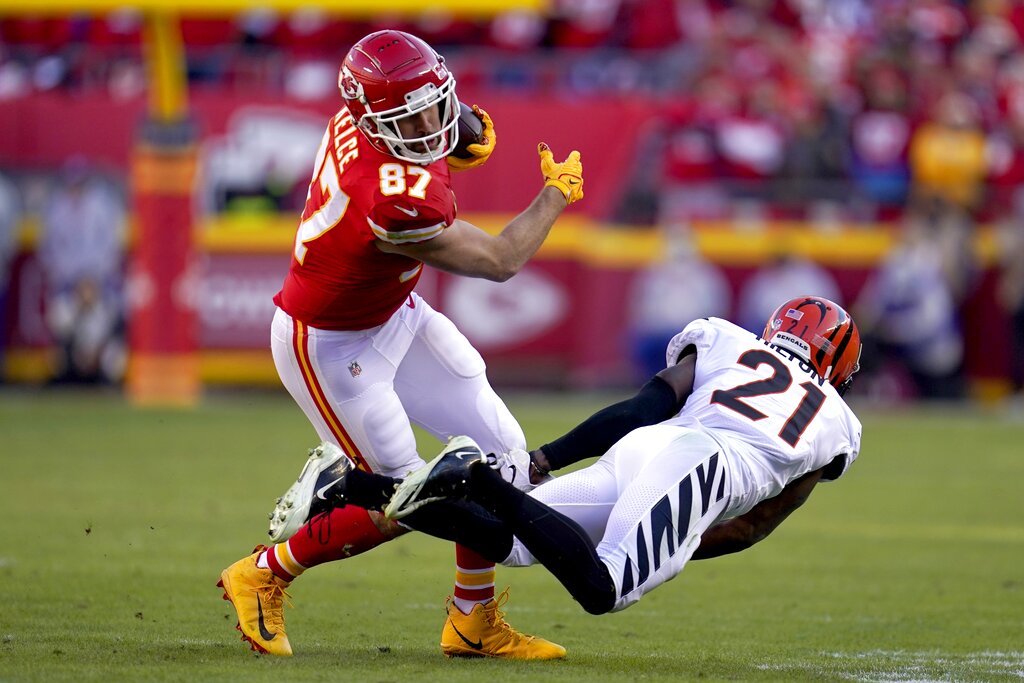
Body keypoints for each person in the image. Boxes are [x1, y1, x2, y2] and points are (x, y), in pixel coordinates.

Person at [217, 29, 584, 659]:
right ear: (380, 125)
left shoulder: (380, 117)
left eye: (432, 104)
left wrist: (461, 124)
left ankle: (473, 621)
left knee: (501, 456)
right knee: (410, 497)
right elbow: (500, 259)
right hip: (330, 347)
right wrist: (555, 195)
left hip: (394, 313)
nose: (429, 124)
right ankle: (264, 572)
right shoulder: (387, 195)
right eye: (412, 118)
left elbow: (442, 131)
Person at [296, 296, 862, 617]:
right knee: (604, 591)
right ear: (836, 363)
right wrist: (682, 537)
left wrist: (547, 457)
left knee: (512, 540)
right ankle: (475, 476)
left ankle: (350, 484)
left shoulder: (728, 341)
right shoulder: (835, 421)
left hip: (646, 448)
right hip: (700, 467)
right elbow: (751, 528)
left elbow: (643, 409)